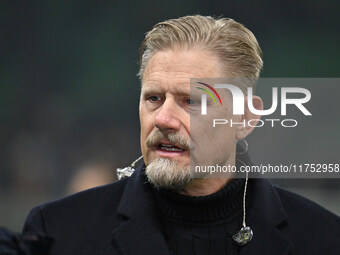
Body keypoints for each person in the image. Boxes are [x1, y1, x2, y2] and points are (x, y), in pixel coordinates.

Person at [23, 15, 340, 255]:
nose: (163, 119)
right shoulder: (57, 232)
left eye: (191, 101)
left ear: (245, 117)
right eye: (153, 98)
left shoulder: (323, 238)